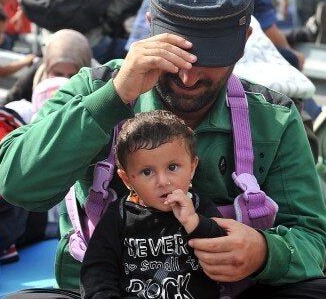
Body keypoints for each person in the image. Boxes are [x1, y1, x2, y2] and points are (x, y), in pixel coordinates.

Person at [0, 0, 326, 297]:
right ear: (150, 26)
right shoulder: (95, 89)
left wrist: (263, 253)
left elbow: (310, 237)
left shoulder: (273, 117)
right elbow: (17, 184)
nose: (189, 80)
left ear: (244, 40)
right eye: (178, 58)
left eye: (209, 61)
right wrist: (113, 98)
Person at [80, 110, 226, 299]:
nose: (163, 181)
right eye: (147, 172)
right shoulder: (120, 215)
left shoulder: (199, 207)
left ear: (192, 167)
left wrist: (194, 222)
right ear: (126, 179)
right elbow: (97, 267)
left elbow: (224, 251)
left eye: (172, 167)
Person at [4, 29, 93, 104]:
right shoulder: (38, 72)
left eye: (72, 76)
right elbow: (9, 102)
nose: (64, 83)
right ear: (48, 69)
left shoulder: (95, 82)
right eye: (58, 74)